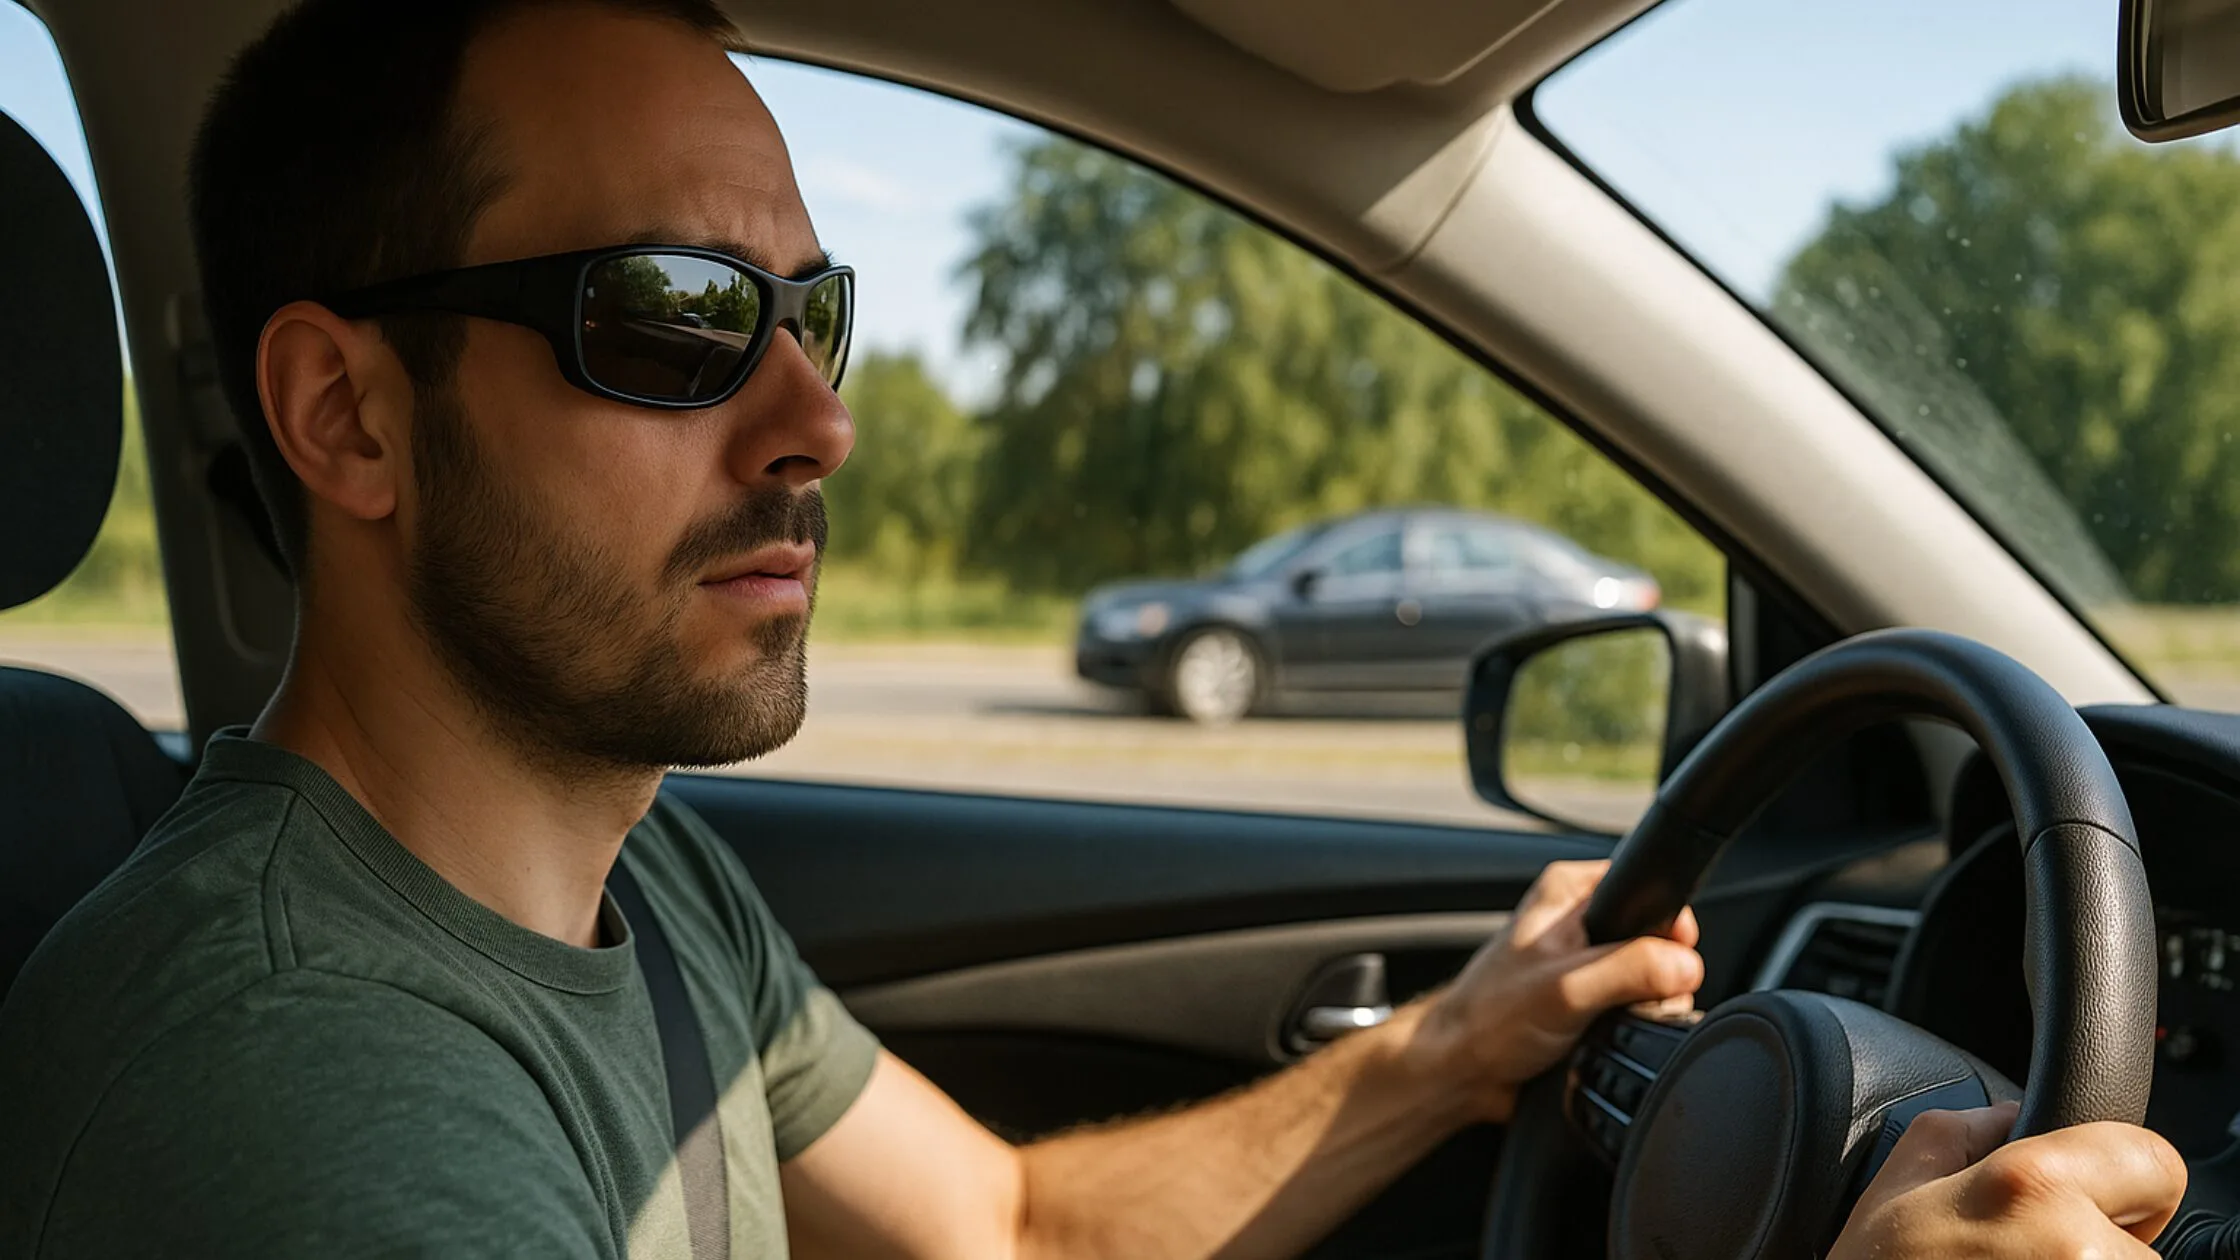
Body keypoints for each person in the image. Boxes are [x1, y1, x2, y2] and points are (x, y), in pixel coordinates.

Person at [0, 1, 2188, 1256]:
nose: (819, 420)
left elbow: (1009, 1235)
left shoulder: (628, 867)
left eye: (811, 311)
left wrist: (1445, 1051)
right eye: (669, 322)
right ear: (344, 415)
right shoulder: (289, 1096)